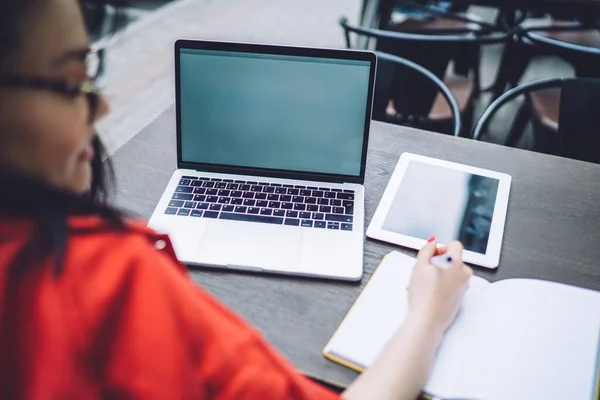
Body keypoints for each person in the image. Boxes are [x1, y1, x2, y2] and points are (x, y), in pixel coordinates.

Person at [0, 0, 473, 398]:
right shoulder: (105, 282)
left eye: (92, 73)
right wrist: (429, 315)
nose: (100, 105)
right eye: (68, 82)